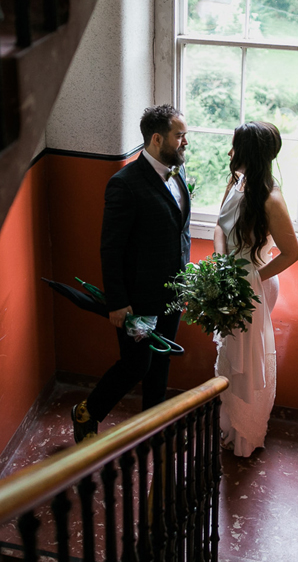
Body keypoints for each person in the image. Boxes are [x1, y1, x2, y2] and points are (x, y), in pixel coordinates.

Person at [71, 105, 192, 441]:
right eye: (179, 136)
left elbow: (180, 230)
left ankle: (151, 428)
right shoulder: (124, 184)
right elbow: (111, 248)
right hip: (138, 298)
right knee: (137, 365)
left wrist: (185, 282)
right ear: (157, 139)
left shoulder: (177, 171)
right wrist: (119, 302)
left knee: (161, 364)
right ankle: (86, 412)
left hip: (172, 293)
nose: (186, 142)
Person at [213, 121, 298, 456]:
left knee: (247, 362)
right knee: (231, 354)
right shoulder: (236, 183)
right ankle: (228, 422)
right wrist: (221, 267)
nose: (230, 153)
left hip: (255, 286)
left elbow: (292, 253)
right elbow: (220, 226)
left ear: (249, 153)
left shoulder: (270, 199)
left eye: (236, 147)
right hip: (230, 277)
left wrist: (251, 278)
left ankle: (245, 435)